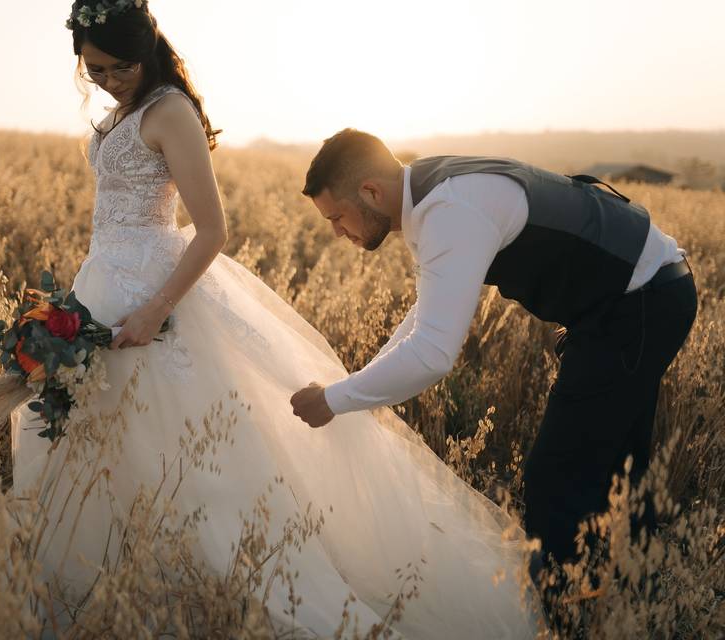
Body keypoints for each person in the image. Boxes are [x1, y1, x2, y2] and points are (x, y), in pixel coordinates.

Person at [9, 2, 541, 636]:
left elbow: (212, 231)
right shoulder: (119, 113)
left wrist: (155, 310)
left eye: (117, 67)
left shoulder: (169, 110)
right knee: (93, 445)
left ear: (145, 50)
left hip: (159, 301)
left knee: (195, 466)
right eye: (93, 68)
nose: (106, 79)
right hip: (101, 289)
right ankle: (104, 595)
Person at [291, 129, 698, 596]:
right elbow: (425, 317)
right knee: (619, 464)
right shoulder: (425, 190)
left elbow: (432, 353)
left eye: (337, 217)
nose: (337, 232)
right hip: (641, 294)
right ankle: (634, 598)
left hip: (638, 304)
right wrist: (353, 388)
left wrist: (336, 400)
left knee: (555, 477)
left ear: (370, 192)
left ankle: (564, 612)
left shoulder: (448, 211)